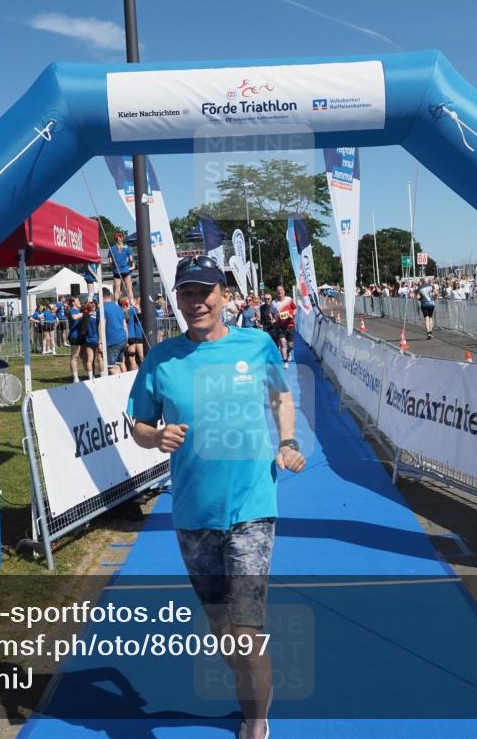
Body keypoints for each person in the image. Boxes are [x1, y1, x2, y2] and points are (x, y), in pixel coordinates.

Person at [127, 255, 305, 739]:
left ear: (225, 295)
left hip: (252, 506)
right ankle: (249, 695)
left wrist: (287, 440)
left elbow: (280, 396)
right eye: (187, 293)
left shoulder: (257, 344)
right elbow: (139, 423)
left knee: (245, 633)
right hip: (192, 513)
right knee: (223, 631)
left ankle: (257, 722)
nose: (197, 301)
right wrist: (155, 437)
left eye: (205, 291)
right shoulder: (162, 359)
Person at [101, 288, 128, 375]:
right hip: (123, 339)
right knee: (117, 365)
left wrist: (100, 342)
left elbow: (101, 325)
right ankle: (123, 381)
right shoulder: (119, 308)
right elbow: (124, 325)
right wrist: (126, 339)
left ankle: (122, 382)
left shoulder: (102, 309)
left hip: (112, 340)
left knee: (111, 368)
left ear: (102, 296)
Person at [270, 285, 297, 370]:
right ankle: (285, 362)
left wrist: (293, 315)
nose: (279, 291)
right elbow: (271, 313)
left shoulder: (289, 300)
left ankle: (288, 353)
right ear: (276, 292)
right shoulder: (274, 303)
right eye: (278, 290)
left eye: (281, 290)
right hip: (280, 326)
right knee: (282, 343)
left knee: (291, 346)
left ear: (284, 291)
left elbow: (295, 308)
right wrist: (272, 319)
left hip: (290, 325)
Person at [109, 233, 135, 302]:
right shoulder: (127, 248)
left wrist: (114, 267)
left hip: (117, 271)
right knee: (129, 289)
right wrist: (130, 266)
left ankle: (116, 304)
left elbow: (110, 261)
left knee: (117, 290)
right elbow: (131, 259)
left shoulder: (111, 248)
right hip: (126, 270)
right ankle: (132, 303)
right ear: (122, 238)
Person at [122, 298, 144, 371]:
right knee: (131, 358)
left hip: (132, 336)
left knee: (131, 359)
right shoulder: (133, 310)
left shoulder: (129, 310)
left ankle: (137, 373)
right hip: (133, 336)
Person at [67, 297, 86, 382]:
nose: (79, 302)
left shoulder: (78, 311)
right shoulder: (72, 310)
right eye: (78, 301)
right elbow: (74, 317)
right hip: (74, 336)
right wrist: (84, 313)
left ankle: (88, 374)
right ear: (73, 303)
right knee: (74, 357)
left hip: (79, 336)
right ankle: (75, 378)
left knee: (82, 356)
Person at [83, 302, 100, 379]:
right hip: (96, 339)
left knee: (90, 359)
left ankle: (91, 376)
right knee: (99, 358)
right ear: (93, 307)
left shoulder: (85, 316)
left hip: (88, 339)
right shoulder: (97, 316)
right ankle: (102, 375)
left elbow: (83, 329)